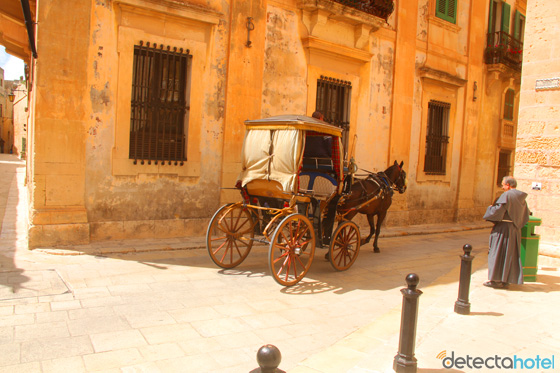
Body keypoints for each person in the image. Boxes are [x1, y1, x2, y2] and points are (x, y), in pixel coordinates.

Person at [483, 176, 530, 289]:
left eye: (503, 184)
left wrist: (490, 209)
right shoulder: (521, 197)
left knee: (497, 252)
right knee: (510, 254)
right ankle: (506, 280)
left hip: (503, 229)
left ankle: (495, 280)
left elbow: (498, 210)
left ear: (508, 185)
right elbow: (526, 214)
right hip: (514, 230)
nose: (502, 186)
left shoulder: (507, 195)